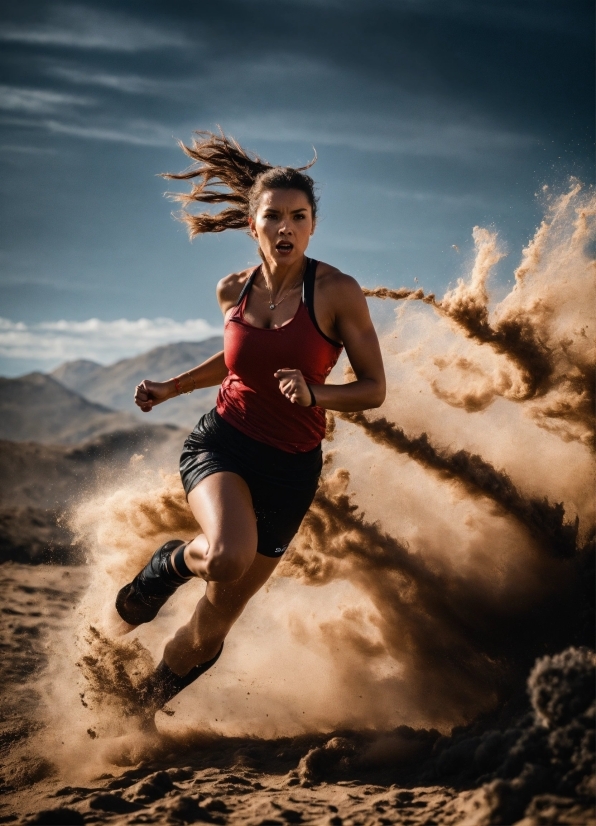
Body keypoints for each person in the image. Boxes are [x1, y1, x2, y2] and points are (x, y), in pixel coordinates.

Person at [115, 131, 386, 713]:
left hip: (290, 472)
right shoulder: (232, 290)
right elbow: (238, 358)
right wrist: (172, 387)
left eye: (299, 217)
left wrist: (316, 394)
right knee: (225, 557)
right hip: (224, 445)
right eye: (273, 217)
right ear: (252, 224)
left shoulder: (337, 292)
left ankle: (141, 706)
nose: (285, 227)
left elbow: (373, 389)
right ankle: (160, 573)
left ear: (313, 226)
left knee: (213, 626)